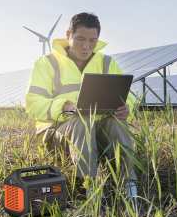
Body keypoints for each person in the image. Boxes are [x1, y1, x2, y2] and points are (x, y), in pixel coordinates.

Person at [25, 12, 138, 204]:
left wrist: (127, 109)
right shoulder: (46, 63)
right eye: (80, 39)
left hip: (99, 132)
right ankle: (90, 187)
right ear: (68, 35)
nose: (86, 46)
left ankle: (130, 188)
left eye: (93, 40)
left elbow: (127, 97)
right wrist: (68, 107)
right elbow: (33, 103)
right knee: (83, 119)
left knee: (117, 124)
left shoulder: (107, 62)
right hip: (55, 132)